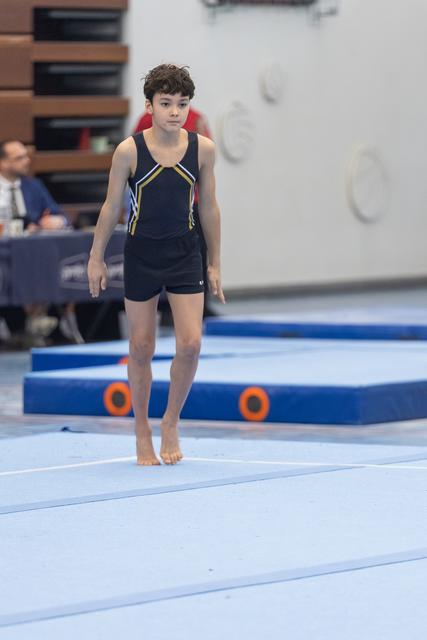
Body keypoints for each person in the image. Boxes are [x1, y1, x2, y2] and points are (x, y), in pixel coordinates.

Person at [88, 64, 225, 466]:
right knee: (142, 345)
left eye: (182, 104)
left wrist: (214, 262)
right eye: (166, 104)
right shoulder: (129, 151)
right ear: (149, 106)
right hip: (142, 254)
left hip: (185, 252)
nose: (174, 112)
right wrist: (96, 257)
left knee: (191, 343)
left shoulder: (203, 149)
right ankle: (142, 427)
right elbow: (112, 207)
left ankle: (170, 420)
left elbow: (210, 208)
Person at [134, 105, 216, 323]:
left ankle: (200, 306)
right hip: (157, 205)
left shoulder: (197, 118)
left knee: (197, 254)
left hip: (190, 202)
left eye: (182, 101)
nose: (175, 110)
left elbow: (205, 159)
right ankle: (163, 307)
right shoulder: (147, 119)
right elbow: (138, 154)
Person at [0, 140, 72, 342]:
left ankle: (48, 325)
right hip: (4, 256)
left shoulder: (33, 186)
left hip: (34, 254)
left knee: (60, 263)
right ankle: (19, 326)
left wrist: (56, 221)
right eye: (19, 157)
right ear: (3, 163)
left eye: (26, 156)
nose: (26, 161)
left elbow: (61, 215)